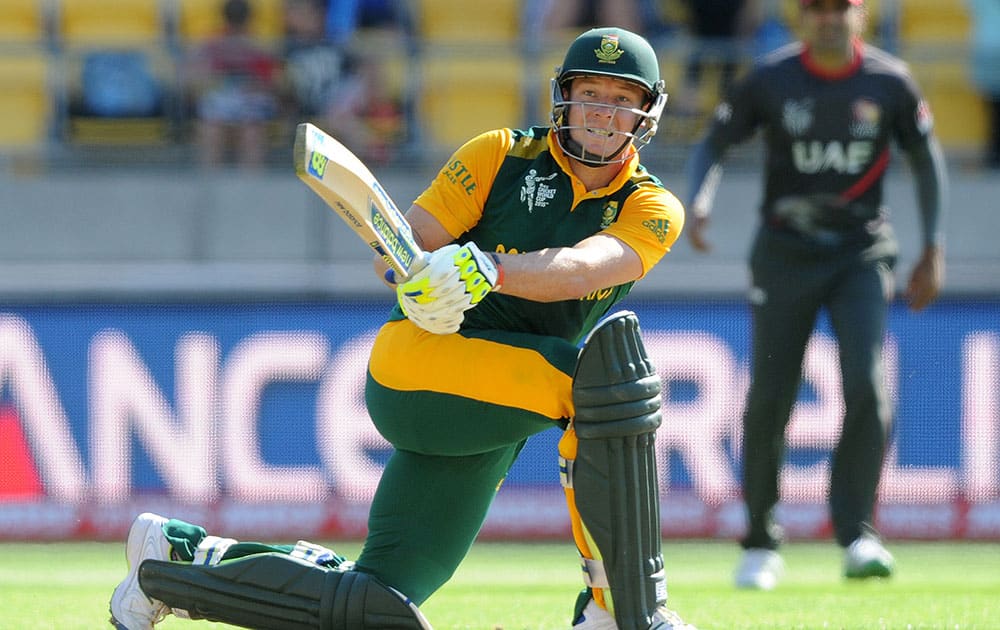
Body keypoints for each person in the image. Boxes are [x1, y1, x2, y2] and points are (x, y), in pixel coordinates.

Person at [109, 27, 696, 630]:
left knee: (377, 601)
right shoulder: (498, 153)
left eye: (621, 98)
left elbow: (587, 267)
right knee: (604, 385)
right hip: (422, 361)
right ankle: (620, 610)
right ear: (562, 98)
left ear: (646, 111)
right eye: (589, 93)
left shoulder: (652, 207)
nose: (602, 111)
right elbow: (400, 247)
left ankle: (173, 561)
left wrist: (488, 269)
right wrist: (419, 279)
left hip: (496, 402)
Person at [684, 0, 947, 590]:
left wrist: (933, 245)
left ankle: (858, 533)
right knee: (772, 393)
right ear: (800, 16)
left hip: (859, 254)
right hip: (784, 256)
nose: (828, 17)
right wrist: (698, 199)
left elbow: (926, 160)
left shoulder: (889, 82)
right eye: (816, 7)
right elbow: (714, 143)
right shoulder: (771, 80)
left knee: (866, 385)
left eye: (840, 6)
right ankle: (758, 541)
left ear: (862, 13)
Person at [184, 0, 283, 168]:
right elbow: (193, 78)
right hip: (220, 105)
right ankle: (210, 190)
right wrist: (210, 84)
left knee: (251, 134)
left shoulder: (259, 45)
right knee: (211, 132)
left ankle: (249, 189)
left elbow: (273, 82)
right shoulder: (211, 44)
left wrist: (255, 87)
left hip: (251, 106)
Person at [968, 0, 1000, 170]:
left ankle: (994, 155)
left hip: (986, 47)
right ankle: (994, 154)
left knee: (993, 109)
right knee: (993, 108)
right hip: (988, 48)